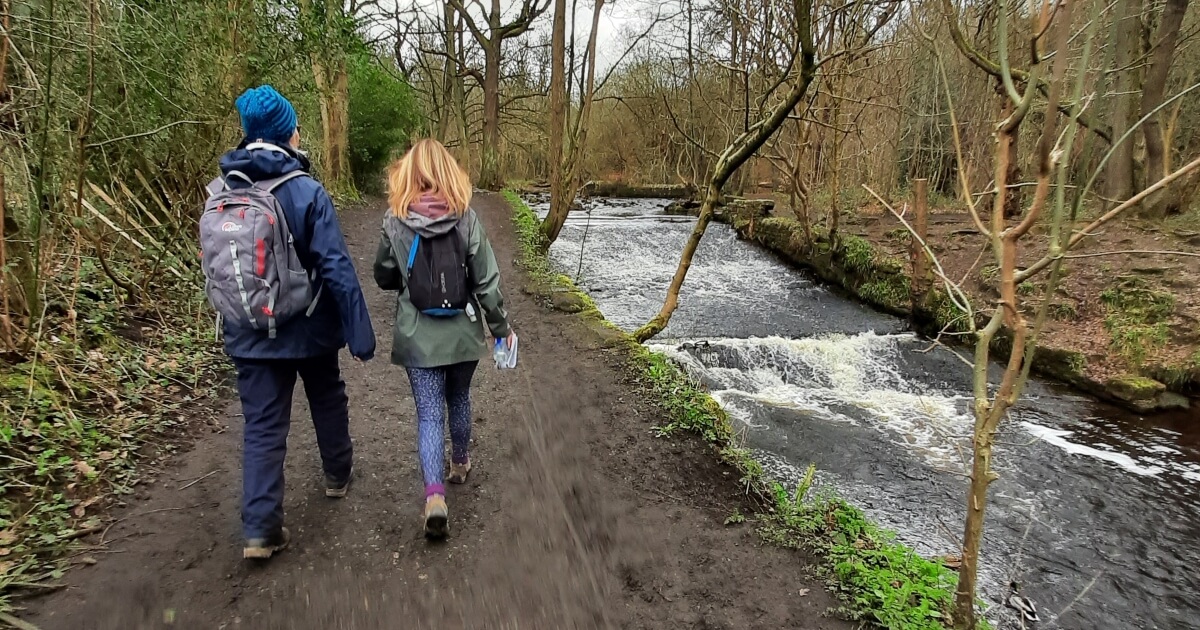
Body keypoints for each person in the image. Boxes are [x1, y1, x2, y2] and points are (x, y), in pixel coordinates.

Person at [216, 85, 375, 559]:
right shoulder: (305, 190)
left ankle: (261, 530)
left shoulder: (225, 190)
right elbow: (336, 266)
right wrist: (359, 333)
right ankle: (337, 474)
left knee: (263, 424)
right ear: (288, 132)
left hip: (249, 328)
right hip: (309, 327)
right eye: (296, 124)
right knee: (326, 395)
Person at [372, 139, 513, 539]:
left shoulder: (394, 219)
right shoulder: (466, 218)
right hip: (463, 336)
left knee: (430, 413)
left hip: (418, 337)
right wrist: (501, 329)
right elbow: (486, 283)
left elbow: (383, 276)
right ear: (451, 172)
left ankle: (434, 496)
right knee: (459, 398)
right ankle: (460, 462)